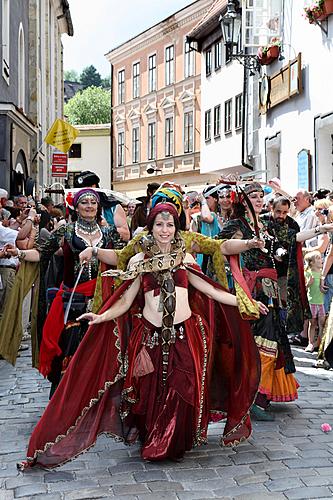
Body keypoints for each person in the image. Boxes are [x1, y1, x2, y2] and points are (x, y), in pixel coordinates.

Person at [18, 202, 267, 470]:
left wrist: (244, 303)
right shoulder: (139, 259)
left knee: (183, 388)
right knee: (151, 390)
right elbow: (125, 301)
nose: (164, 230)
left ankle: (172, 440)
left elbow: (210, 290)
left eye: (169, 224)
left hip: (185, 334)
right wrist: (101, 317)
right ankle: (157, 438)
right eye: (159, 224)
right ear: (150, 227)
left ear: (176, 227)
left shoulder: (185, 257)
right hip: (149, 336)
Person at [2, 189, 120, 392]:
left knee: (100, 352)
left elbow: (121, 257)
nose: (89, 206)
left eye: (93, 202)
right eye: (85, 202)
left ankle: (96, 401)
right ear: (76, 206)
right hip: (72, 302)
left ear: (98, 206)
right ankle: (70, 401)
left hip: (102, 299)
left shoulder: (109, 233)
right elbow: (41, 254)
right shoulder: (65, 231)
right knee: (72, 352)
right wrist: (19, 253)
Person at [218, 183, 300, 420]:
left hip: (269, 290)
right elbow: (221, 246)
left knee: (270, 340)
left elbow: (290, 239)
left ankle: (258, 396)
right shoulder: (238, 224)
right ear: (243, 201)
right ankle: (253, 398)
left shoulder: (264, 224)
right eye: (252, 196)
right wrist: (247, 244)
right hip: (251, 290)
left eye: (260, 196)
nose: (258, 200)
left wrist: (320, 229)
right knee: (260, 342)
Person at [304, 251, 326, 353]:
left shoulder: (322, 273)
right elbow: (304, 287)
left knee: (322, 323)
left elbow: (323, 287)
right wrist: (308, 284)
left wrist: (324, 287)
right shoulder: (308, 273)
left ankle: (319, 343)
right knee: (312, 323)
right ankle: (310, 343)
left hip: (321, 302)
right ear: (311, 262)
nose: (320, 260)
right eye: (317, 258)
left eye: (320, 258)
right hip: (312, 302)